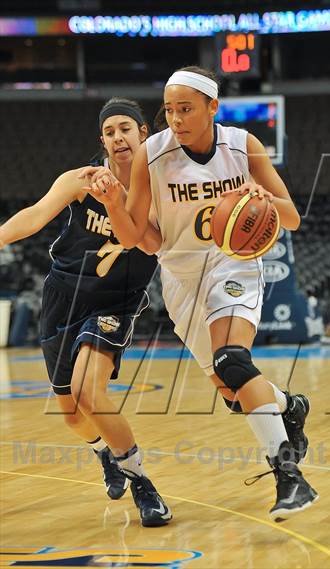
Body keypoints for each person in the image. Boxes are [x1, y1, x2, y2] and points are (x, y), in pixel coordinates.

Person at [82, 67, 318, 520]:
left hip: (234, 263)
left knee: (232, 359)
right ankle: (290, 405)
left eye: (186, 108)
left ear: (213, 107)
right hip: (180, 277)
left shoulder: (243, 146)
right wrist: (113, 204)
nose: (176, 118)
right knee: (232, 392)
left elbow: (291, 218)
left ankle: (290, 477)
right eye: (169, 109)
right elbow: (138, 238)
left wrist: (263, 198)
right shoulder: (153, 154)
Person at [0, 98, 172, 527]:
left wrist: (120, 199)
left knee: (90, 394)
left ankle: (143, 485)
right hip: (64, 296)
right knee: (72, 413)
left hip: (115, 301)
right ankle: (104, 452)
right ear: (103, 140)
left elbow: (147, 243)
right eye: (110, 131)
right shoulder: (80, 180)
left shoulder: (157, 190)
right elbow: (35, 215)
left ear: (143, 135)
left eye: (125, 129)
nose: (118, 137)